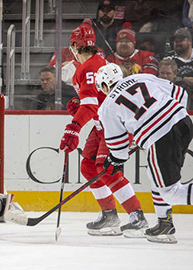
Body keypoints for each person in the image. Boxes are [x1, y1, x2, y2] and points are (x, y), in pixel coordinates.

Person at [59, 19, 147, 237]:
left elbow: (91, 105)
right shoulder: (95, 64)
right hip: (101, 126)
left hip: (114, 126)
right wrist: (80, 107)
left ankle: (137, 216)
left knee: (107, 168)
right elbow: (95, 101)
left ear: (75, 46)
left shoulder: (88, 67)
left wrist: (74, 127)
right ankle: (109, 214)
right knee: (89, 167)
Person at [96, 63, 192, 244]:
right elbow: (181, 94)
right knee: (154, 174)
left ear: (104, 86)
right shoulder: (140, 77)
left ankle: (165, 223)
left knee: (170, 192)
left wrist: (114, 159)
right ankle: (165, 223)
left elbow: (118, 148)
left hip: (161, 137)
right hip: (184, 123)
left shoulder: (107, 106)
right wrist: (171, 122)